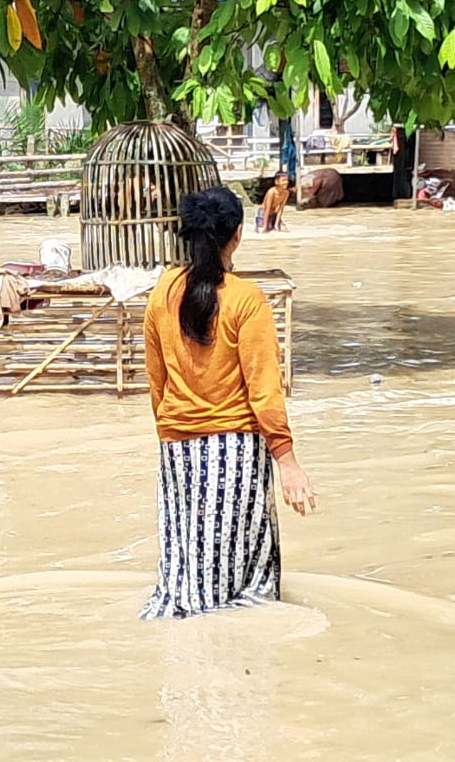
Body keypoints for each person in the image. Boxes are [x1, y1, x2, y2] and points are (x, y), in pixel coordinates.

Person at [140, 186, 316, 619]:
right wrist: (288, 461)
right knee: (244, 576)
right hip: (235, 452)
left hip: (178, 450)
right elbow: (264, 390)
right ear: (236, 235)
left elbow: (156, 381)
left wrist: (174, 431)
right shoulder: (245, 299)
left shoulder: (163, 293)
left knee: (185, 563)